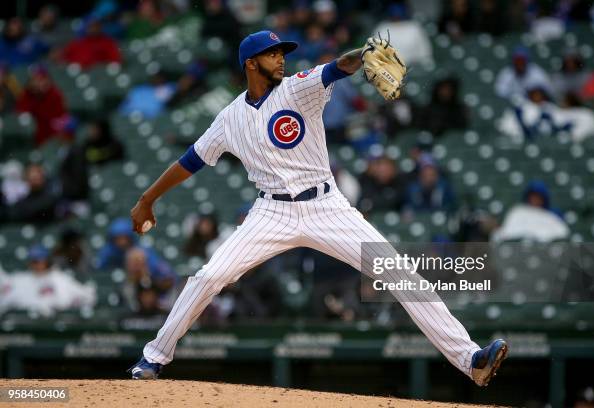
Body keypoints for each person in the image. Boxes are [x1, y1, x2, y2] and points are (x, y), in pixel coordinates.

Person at [127, 30, 508, 386]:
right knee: (209, 277)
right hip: (270, 213)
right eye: (271, 54)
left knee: (399, 273)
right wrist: (147, 199)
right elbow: (190, 161)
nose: (280, 59)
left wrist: (363, 53)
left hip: (327, 206)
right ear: (249, 63)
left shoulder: (297, 89)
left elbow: (338, 67)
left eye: (281, 53)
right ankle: (154, 357)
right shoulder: (229, 118)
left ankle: (470, 359)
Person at [0, 245, 96, 316]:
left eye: (38, 261)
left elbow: (87, 297)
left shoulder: (59, 278)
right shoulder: (22, 279)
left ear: (46, 261)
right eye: (33, 261)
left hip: (56, 321)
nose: (36, 264)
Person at [16, 65, 69, 146]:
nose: (37, 83)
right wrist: (34, 95)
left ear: (47, 80)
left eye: (41, 79)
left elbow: (60, 118)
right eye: (34, 80)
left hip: (51, 135)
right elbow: (21, 112)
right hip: (33, 134)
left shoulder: (55, 94)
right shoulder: (27, 94)